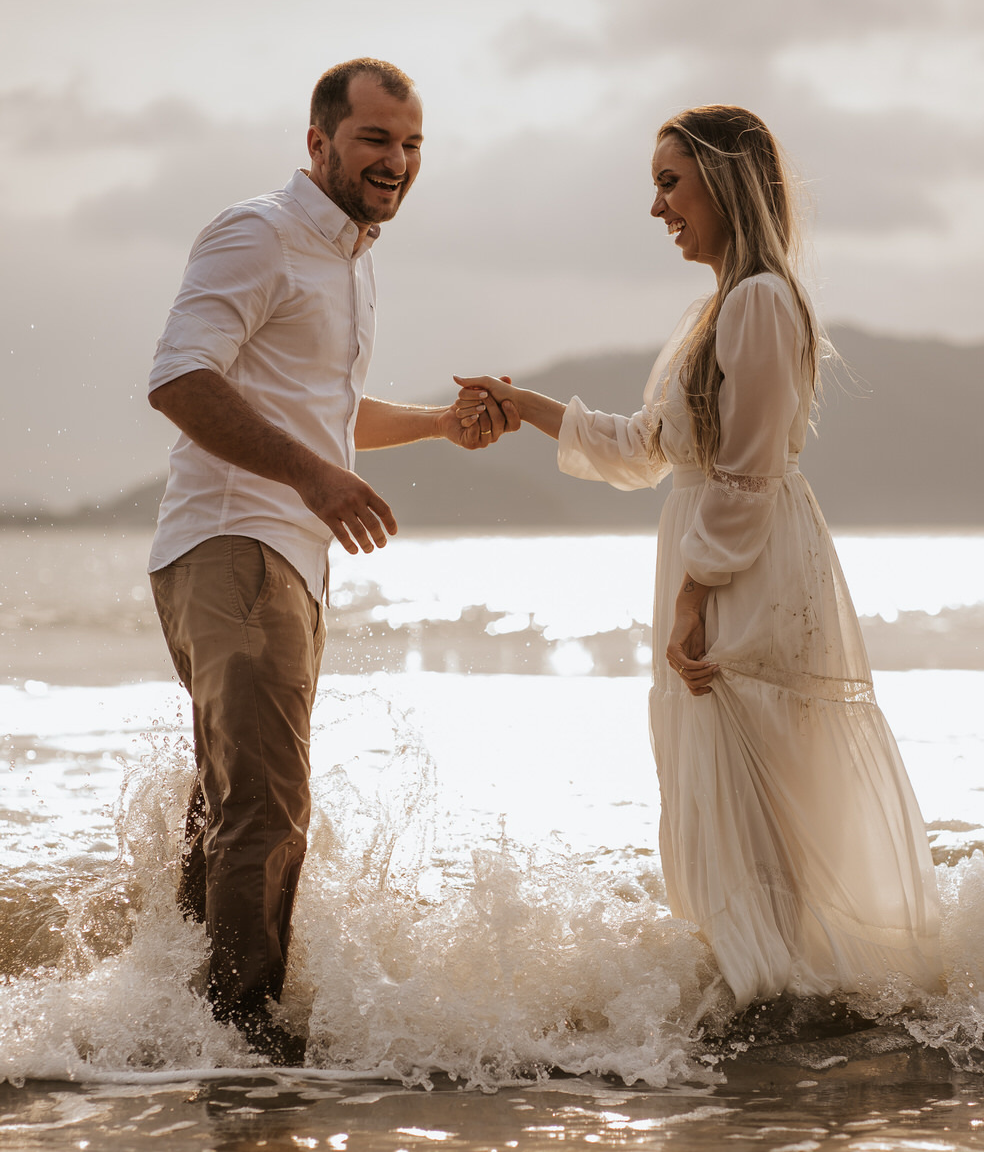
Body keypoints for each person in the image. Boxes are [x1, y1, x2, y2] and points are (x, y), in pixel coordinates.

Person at [457, 106, 942, 1013]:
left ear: (723, 183)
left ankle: (779, 1004)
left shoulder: (758, 300)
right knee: (725, 780)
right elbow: (649, 449)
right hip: (719, 558)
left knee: (753, 776)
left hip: (743, 570)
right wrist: (520, 404)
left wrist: (693, 592)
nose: (656, 207)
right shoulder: (716, 310)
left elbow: (748, 471)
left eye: (669, 182)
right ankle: (766, 1002)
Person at [148, 58, 516, 1065]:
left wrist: (441, 423)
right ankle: (249, 1049)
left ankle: (178, 1032)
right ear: (317, 143)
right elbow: (180, 378)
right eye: (373, 141)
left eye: (409, 146)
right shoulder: (257, 233)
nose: (395, 162)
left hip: (278, 555)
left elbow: (326, 411)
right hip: (236, 541)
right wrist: (315, 480)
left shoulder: (348, 258)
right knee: (267, 806)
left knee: (229, 802)